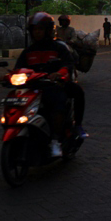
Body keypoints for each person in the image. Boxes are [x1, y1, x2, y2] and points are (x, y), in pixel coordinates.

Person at [14, 12, 87, 156]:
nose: (37, 32)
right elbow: (18, 69)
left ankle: (57, 140)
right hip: (34, 88)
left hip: (54, 86)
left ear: (48, 30)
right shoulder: (28, 51)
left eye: (40, 29)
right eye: (34, 30)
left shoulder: (58, 47)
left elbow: (68, 63)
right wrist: (10, 77)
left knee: (70, 96)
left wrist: (60, 73)